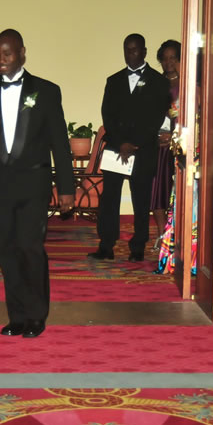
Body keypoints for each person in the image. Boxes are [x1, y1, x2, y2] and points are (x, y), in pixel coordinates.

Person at [0, 29, 74, 339]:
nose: (2, 60)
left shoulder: (47, 91)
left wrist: (66, 187)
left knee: (30, 248)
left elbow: (59, 143)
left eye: (7, 53)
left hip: (34, 184)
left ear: (22, 53)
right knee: (7, 251)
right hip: (1, 187)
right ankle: (18, 316)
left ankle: (37, 316)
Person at [88, 34, 170, 262]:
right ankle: (106, 245)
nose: (130, 54)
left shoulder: (158, 82)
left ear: (144, 51)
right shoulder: (113, 81)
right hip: (116, 147)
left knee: (141, 200)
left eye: (134, 50)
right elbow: (108, 114)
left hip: (143, 149)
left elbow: (156, 117)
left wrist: (137, 143)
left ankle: (138, 247)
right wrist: (121, 141)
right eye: (127, 50)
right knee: (109, 200)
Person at [151, 40, 181, 249]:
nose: (169, 62)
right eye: (165, 58)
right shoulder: (154, 83)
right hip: (158, 146)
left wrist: (174, 137)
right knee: (157, 192)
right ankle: (163, 236)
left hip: (182, 146)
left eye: (173, 57)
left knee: (179, 193)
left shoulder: (190, 85)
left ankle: (179, 237)